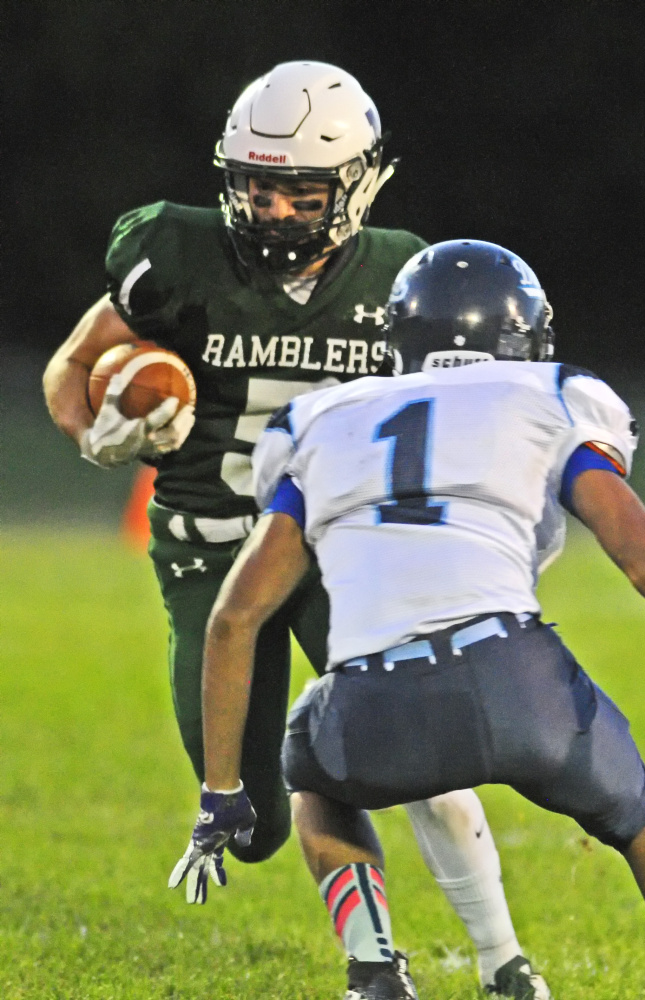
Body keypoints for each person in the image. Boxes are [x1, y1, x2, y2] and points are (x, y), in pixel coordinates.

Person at [170, 239, 645, 1000]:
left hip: (371, 699)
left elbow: (235, 616)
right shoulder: (551, 394)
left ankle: (373, 969)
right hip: (518, 682)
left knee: (313, 772)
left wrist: (221, 791)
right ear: (520, 330)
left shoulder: (319, 419)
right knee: (644, 824)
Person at [43, 66, 549, 999]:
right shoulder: (174, 253)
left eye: (299, 192)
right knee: (255, 820)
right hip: (206, 554)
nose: (273, 211)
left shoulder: (403, 270)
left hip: (340, 558)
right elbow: (73, 363)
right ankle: (372, 946)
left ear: (356, 184)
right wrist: (94, 433)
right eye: (254, 186)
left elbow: (455, 415)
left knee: (422, 749)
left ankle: (497, 961)